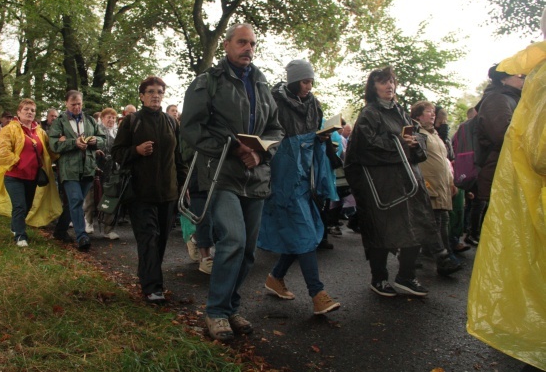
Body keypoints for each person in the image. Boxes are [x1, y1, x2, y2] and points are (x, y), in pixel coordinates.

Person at [181, 23, 283, 341]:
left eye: (252, 43)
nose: (248, 48)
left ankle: (230, 307)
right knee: (233, 240)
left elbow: (277, 131)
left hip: (255, 177)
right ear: (226, 45)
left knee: (249, 250)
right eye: (242, 42)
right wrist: (231, 148)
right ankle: (215, 312)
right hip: (220, 174)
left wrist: (261, 154)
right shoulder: (207, 82)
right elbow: (191, 127)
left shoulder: (263, 85)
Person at [467, 7, 546, 372]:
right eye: (519, 74)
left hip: (518, 182)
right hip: (509, 181)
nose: (524, 76)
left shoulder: (517, 95)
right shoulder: (501, 100)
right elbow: (517, 141)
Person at [344, 67, 461, 298]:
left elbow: (417, 139)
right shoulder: (369, 113)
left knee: (417, 226)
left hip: (410, 182)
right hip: (382, 187)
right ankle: (379, 278)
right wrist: (400, 142)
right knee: (381, 233)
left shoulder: (400, 112)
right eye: (383, 82)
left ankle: (406, 276)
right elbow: (365, 149)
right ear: (373, 86)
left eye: (391, 81)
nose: (389, 86)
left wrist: (415, 143)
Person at [258, 59, 341, 315]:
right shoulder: (273, 99)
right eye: (305, 81)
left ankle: (275, 277)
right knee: (304, 232)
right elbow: (267, 137)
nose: (308, 86)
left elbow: (315, 132)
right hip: (282, 178)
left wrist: (323, 136)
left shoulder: (314, 102)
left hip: (305, 177)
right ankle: (317, 293)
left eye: (311, 81)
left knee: (300, 233)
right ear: (293, 81)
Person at [111, 76, 187, 303]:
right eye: (151, 91)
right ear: (142, 96)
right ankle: (153, 287)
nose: (156, 95)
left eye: (160, 91)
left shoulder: (172, 122)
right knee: (149, 238)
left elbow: (179, 157)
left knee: (161, 239)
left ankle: (147, 276)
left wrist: (183, 185)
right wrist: (136, 150)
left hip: (168, 192)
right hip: (139, 193)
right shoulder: (132, 121)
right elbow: (117, 153)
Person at [0, 99, 62, 246]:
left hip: (32, 176)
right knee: (19, 205)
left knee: (26, 206)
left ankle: (15, 227)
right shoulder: (10, 129)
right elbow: (1, 151)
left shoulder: (40, 132)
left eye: (32, 110)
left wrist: (61, 146)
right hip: (14, 176)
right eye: (26, 109)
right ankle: (20, 236)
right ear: (19, 112)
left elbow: (50, 150)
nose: (29, 112)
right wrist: (17, 162)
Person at [49, 90, 105, 252]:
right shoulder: (59, 122)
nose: (76, 107)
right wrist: (74, 143)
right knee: (75, 199)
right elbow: (53, 145)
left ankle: (60, 230)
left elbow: (103, 139)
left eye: (79, 104)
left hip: (88, 167)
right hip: (69, 168)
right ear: (66, 104)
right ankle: (82, 237)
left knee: (75, 201)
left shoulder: (89, 121)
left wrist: (96, 141)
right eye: (73, 104)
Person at [472, 64, 524, 230]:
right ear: (504, 79)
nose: (523, 79)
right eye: (520, 76)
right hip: (498, 171)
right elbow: (502, 134)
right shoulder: (497, 99)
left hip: (505, 170)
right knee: (502, 227)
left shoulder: (510, 98)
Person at [410, 102, 462, 260]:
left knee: (441, 220)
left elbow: (445, 160)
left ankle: (428, 253)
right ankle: (445, 258)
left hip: (442, 184)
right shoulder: (417, 132)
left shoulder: (434, 134)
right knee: (435, 222)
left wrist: (451, 182)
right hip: (428, 184)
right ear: (418, 115)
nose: (433, 114)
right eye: (428, 111)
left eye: (433, 112)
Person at [84, 107, 120, 240]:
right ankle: (88, 221)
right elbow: (88, 147)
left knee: (110, 199)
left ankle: (108, 229)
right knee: (91, 197)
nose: (111, 119)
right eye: (108, 117)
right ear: (102, 118)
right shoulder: (95, 131)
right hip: (96, 169)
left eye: (113, 117)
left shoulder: (117, 132)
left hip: (112, 170)